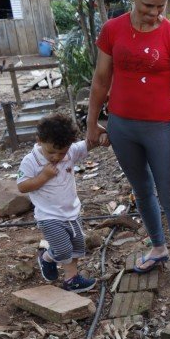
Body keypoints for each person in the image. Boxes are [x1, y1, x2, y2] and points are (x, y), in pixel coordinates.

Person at [86, 0, 170, 292]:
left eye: (161, 6)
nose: (154, 12)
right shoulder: (113, 30)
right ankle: (157, 248)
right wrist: (93, 125)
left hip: (159, 129)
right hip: (122, 127)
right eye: (147, 5)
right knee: (142, 191)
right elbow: (100, 80)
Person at [17, 113, 105, 292]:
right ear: (39, 141)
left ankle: (71, 280)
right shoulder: (30, 161)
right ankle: (47, 258)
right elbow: (22, 186)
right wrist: (43, 176)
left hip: (72, 212)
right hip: (49, 216)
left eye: (62, 152)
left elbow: (89, 143)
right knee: (63, 250)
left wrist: (102, 136)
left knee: (77, 246)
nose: (56, 157)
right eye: (51, 152)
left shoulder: (70, 152)